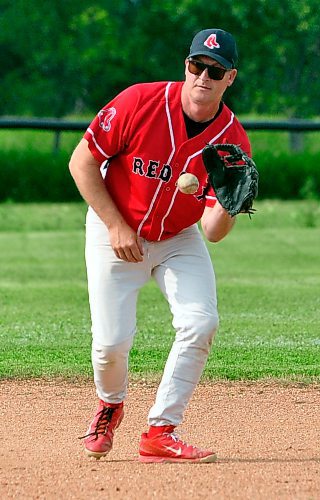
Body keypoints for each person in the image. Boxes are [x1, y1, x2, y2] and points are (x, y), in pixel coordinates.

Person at [69, 28, 251, 463]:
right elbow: (82, 162)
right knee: (110, 344)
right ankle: (110, 405)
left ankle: (160, 431)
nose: (203, 76)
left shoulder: (231, 142)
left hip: (178, 238)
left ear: (231, 78)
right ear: (186, 64)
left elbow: (212, 231)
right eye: (197, 65)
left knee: (201, 322)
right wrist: (114, 225)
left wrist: (230, 203)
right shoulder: (139, 101)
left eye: (216, 70)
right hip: (115, 227)